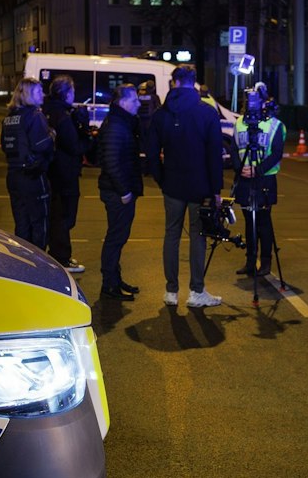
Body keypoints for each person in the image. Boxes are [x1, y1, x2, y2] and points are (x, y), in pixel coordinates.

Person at [146, 63, 225, 308]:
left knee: (171, 234)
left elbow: (151, 153)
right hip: (200, 185)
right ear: (194, 82)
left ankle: (171, 291)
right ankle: (196, 291)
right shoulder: (207, 112)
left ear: (175, 82)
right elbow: (214, 155)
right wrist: (216, 189)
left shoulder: (161, 114)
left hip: (172, 184)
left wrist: (161, 179)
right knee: (198, 236)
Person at [95, 83, 144, 300]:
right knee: (115, 238)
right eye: (134, 100)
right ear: (123, 102)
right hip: (117, 193)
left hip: (119, 190)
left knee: (118, 237)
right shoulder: (116, 126)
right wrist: (124, 192)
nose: (138, 103)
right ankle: (109, 285)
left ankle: (115, 279)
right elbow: (111, 161)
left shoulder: (121, 122)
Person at [233, 82, 286, 278]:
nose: (252, 104)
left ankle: (265, 261)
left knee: (263, 221)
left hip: (265, 179)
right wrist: (240, 168)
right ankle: (250, 261)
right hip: (245, 178)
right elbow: (235, 149)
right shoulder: (240, 122)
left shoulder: (275, 125)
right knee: (249, 221)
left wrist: (258, 170)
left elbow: (277, 153)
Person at [1, 73, 55, 249]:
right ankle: (39, 262)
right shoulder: (34, 115)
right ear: (29, 94)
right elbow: (42, 145)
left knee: (22, 223)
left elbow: (5, 146)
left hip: (13, 176)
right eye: (39, 92)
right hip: (33, 176)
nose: (43, 95)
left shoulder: (9, 118)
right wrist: (52, 135)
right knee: (40, 222)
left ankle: (22, 260)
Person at [45, 76, 86, 274]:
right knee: (65, 217)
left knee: (55, 215)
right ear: (66, 93)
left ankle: (56, 254)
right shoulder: (62, 115)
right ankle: (61, 257)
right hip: (65, 172)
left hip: (51, 171)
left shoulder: (46, 110)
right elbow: (74, 146)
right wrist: (85, 134)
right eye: (72, 91)